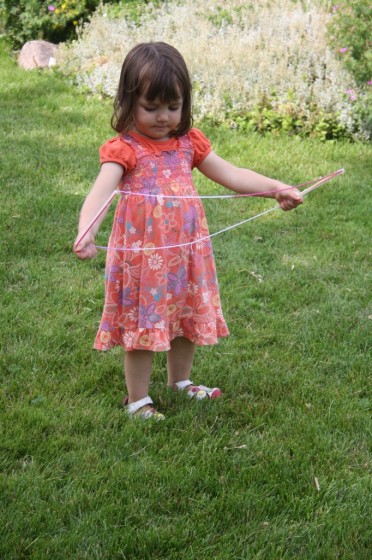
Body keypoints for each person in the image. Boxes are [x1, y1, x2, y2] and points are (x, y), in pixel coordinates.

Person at [74, 42, 303, 420]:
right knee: (144, 321)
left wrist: (275, 187)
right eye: (151, 107)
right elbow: (101, 191)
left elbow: (232, 174)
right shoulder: (125, 149)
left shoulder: (188, 144)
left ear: (185, 103)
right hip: (144, 258)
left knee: (184, 316)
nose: (163, 117)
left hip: (185, 253)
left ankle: (180, 382)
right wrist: (87, 230)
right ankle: (137, 400)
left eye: (173, 106)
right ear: (129, 102)